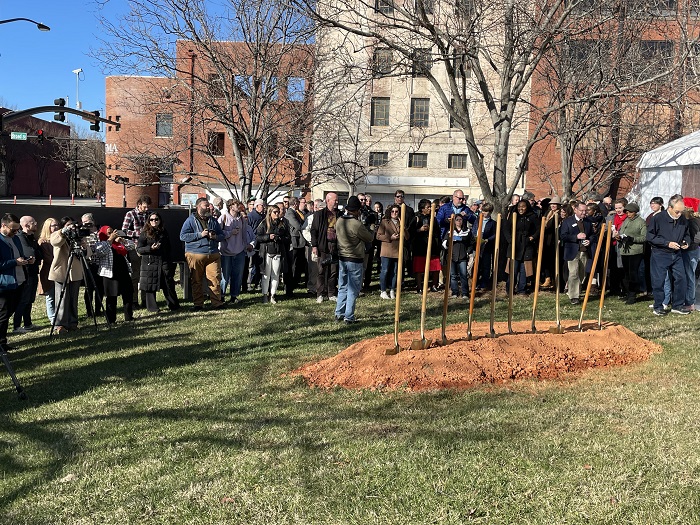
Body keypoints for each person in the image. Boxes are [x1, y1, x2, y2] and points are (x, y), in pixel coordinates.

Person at [647, 194, 691, 316]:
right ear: (670, 207)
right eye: (677, 212)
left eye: (681, 212)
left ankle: (677, 305)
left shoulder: (682, 219)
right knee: (659, 280)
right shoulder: (658, 218)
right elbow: (650, 237)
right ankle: (658, 306)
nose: (679, 214)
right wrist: (667, 243)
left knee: (681, 278)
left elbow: (687, 234)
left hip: (677, 254)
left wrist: (686, 242)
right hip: (660, 253)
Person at [180, 197, 225, 311]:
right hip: (195, 253)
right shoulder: (190, 220)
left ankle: (217, 303)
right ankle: (198, 304)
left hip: (213, 254)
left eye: (209, 205)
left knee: (215, 279)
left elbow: (222, 235)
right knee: (197, 280)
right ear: (198, 207)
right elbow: (183, 236)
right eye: (206, 205)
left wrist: (214, 237)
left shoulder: (213, 220)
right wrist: (200, 235)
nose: (209, 207)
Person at [335, 196, 375, 323]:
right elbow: (369, 238)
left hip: (342, 257)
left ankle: (339, 313)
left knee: (342, 286)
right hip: (355, 258)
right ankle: (349, 316)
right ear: (357, 210)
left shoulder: (339, 221)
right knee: (353, 289)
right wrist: (372, 225)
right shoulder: (356, 224)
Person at [50, 217, 89, 333]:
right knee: (62, 299)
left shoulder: (78, 236)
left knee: (73, 299)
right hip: (61, 271)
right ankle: (60, 324)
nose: (71, 227)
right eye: (68, 225)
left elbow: (88, 254)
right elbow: (55, 242)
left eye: (72, 225)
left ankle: (73, 323)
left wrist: (84, 247)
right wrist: (63, 232)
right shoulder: (57, 234)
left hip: (75, 272)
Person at [137, 212, 180, 312]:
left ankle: (174, 305)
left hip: (163, 261)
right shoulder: (144, 233)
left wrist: (169, 260)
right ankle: (152, 308)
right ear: (148, 221)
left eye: (156, 219)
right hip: (150, 263)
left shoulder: (164, 232)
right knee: (150, 286)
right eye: (151, 219)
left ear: (160, 221)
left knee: (168, 284)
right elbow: (139, 249)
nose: (154, 221)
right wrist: (150, 248)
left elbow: (168, 247)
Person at [0, 214, 31, 351]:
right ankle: (1, 344)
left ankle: (2, 342)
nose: (16, 232)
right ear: (3, 226)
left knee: (9, 312)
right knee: (3, 314)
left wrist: (27, 260)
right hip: (5, 284)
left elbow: (18, 256)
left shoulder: (16, 239)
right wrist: (14, 262)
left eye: (17, 230)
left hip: (19, 281)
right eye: (13, 230)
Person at [93, 226, 135, 325]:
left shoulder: (119, 243)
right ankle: (111, 320)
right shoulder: (100, 243)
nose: (112, 234)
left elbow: (132, 246)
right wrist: (110, 239)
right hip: (110, 274)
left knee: (128, 294)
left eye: (112, 232)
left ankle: (129, 317)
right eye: (109, 232)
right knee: (111, 297)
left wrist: (122, 240)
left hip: (123, 271)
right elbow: (101, 251)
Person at [256, 205, 291, 304]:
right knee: (266, 275)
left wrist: (279, 238)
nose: (277, 213)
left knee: (275, 274)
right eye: (275, 212)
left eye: (278, 211)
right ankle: (264, 294)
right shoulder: (263, 223)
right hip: (266, 251)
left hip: (278, 251)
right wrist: (268, 237)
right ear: (270, 213)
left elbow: (288, 238)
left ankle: (273, 295)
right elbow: (258, 237)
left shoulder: (282, 224)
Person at [219, 199, 251, 305]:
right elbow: (218, 233)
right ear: (230, 206)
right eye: (236, 204)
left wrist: (246, 245)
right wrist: (230, 233)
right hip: (226, 252)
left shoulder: (241, 219)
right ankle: (221, 296)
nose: (238, 206)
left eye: (239, 204)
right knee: (225, 276)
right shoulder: (223, 217)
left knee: (237, 275)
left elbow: (244, 234)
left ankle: (234, 296)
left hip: (240, 251)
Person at [560, 202, 592, 305]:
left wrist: (589, 240)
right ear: (575, 210)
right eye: (581, 211)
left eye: (585, 211)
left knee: (582, 274)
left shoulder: (587, 222)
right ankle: (574, 296)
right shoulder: (567, 222)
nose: (584, 213)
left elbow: (593, 235)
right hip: (572, 251)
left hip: (584, 251)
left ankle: (576, 289)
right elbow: (563, 236)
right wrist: (576, 237)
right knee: (573, 273)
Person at [614, 203, 647, 305]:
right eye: (627, 212)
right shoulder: (626, 221)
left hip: (635, 251)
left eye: (630, 212)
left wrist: (633, 239)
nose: (628, 214)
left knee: (633, 273)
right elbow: (621, 231)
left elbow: (644, 237)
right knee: (626, 274)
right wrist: (619, 237)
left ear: (635, 212)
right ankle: (628, 293)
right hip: (624, 250)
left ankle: (633, 294)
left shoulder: (641, 222)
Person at [504, 200, 539, 295]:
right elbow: (506, 229)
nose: (521, 208)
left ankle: (521, 290)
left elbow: (538, 229)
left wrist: (532, 237)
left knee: (524, 269)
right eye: (519, 206)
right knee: (513, 269)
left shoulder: (532, 216)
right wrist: (510, 240)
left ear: (527, 207)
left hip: (527, 245)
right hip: (515, 245)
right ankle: (510, 289)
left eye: (523, 206)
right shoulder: (513, 216)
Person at [122, 195, 151, 307]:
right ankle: (134, 300)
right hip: (135, 247)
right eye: (145, 207)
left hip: (147, 247)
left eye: (148, 207)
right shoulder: (131, 214)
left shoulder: (149, 215)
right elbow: (124, 230)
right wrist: (138, 234)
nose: (147, 209)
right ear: (139, 205)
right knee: (136, 275)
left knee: (146, 275)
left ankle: (145, 300)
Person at [311, 192, 340, 303]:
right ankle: (320, 293)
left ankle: (331, 292)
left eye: (337, 200)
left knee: (333, 271)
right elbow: (314, 230)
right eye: (334, 200)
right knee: (321, 270)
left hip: (335, 246)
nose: (336, 202)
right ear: (328, 200)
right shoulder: (320, 214)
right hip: (323, 245)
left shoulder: (339, 214)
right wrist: (314, 245)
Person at [13, 216, 40, 333]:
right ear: (26, 225)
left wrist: (35, 254)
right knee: (23, 299)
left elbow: (39, 253)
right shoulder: (20, 237)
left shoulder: (31, 237)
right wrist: (34, 254)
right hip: (26, 272)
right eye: (33, 222)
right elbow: (30, 252)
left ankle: (28, 323)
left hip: (33, 271)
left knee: (30, 299)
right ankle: (17, 325)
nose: (36, 224)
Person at [409, 199, 442, 293]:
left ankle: (434, 285)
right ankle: (419, 287)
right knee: (419, 268)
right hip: (420, 246)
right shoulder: (416, 218)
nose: (430, 209)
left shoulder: (433, 218)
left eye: (430, 207)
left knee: (435, 267)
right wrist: (419, 230)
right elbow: (410, 232)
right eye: (428, 207)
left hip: (432, 246)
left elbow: (438, 231)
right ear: (422, 208)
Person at [376, 204, 407, 299]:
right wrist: (390, 237)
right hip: (386, 250)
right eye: (392, 211)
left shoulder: (401, 223)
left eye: (396, 211)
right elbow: (378, 236)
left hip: (397, 250)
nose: (394, 213)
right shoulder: (385, 222)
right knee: (385, 270)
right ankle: (383, 290)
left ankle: (392, 289)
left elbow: (407, 237)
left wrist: (403, 227)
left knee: (395, 271)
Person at [443, 214, 474, 298]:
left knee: (463, 275)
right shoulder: (450, 231)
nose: (459, 221)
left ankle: (465, 293)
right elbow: (445, 243)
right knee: (453, 275)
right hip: (452, 256)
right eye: (457, 219)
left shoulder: (467, 231)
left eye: (460, 219)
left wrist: (467, 252)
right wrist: (448, 242)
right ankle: (455, 292)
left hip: (463, 257)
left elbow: (471, 243)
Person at [37, 218, 59, 325]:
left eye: (57, 225)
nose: (56, 227)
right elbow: (48, 258)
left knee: (59, 295)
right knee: (50, 296)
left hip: (59, 271)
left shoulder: (60, 239)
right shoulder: (43, 242)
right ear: (48, 227)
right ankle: (52, 318)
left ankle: (59, 315)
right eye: (53, 225)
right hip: (48, 271)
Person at [284, 197, 307, 297]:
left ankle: (294, 284)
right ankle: (289, 286)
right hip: (294, 241)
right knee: (292, 264)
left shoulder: (297, 212)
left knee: (298, 264)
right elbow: (297, 225)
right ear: (295, 204)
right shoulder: (290, 213)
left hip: (299, 242)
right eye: (298, 203)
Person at [474, 202, 497, 290]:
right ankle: (475, 282)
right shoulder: (477, 219)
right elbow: (474, 229)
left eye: (486, 211)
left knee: (486, 265)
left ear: (490, 212)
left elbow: (495, 234)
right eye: (483, 211)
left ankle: (484, 283)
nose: (483, 213)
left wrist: (488, 240)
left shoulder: (492, 223)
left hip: (486, 245)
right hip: (477, 243)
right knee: (477, 264)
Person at [246, 199, 266, 291]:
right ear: (257, 206)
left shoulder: (263, 216)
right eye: (262, 205)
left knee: (259, 264)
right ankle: (249, 283)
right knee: (251, 264)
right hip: (252, 243)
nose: (263, 207)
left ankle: (257, 283)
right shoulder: (251, 215)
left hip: (260, 242)